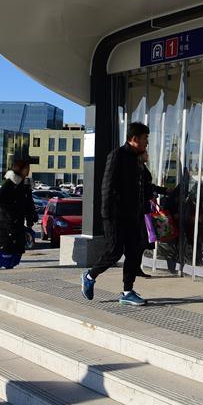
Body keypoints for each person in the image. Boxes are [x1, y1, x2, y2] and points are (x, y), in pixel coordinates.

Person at [82, 122, 152, 306]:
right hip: (115, 216)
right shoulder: (117, 155)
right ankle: (89, 276)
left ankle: (127, 292)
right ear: (134, 138)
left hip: (133, 216)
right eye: (145, 138)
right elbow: (107, 186)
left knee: (134, 252)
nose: (147, 142)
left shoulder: (137, 160)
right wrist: (107, 216)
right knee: (114, 252)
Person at [0, 157, 36, 270]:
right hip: (7, 222)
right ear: (20, 169)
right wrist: (12, 209)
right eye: (26, 168)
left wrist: (31, 217)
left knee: (16, 248)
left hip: (18, 222)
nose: (28, 171)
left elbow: (28, 203)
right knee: (4, 247)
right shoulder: (10, 183)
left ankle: (9, 267)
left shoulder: (24, 184)